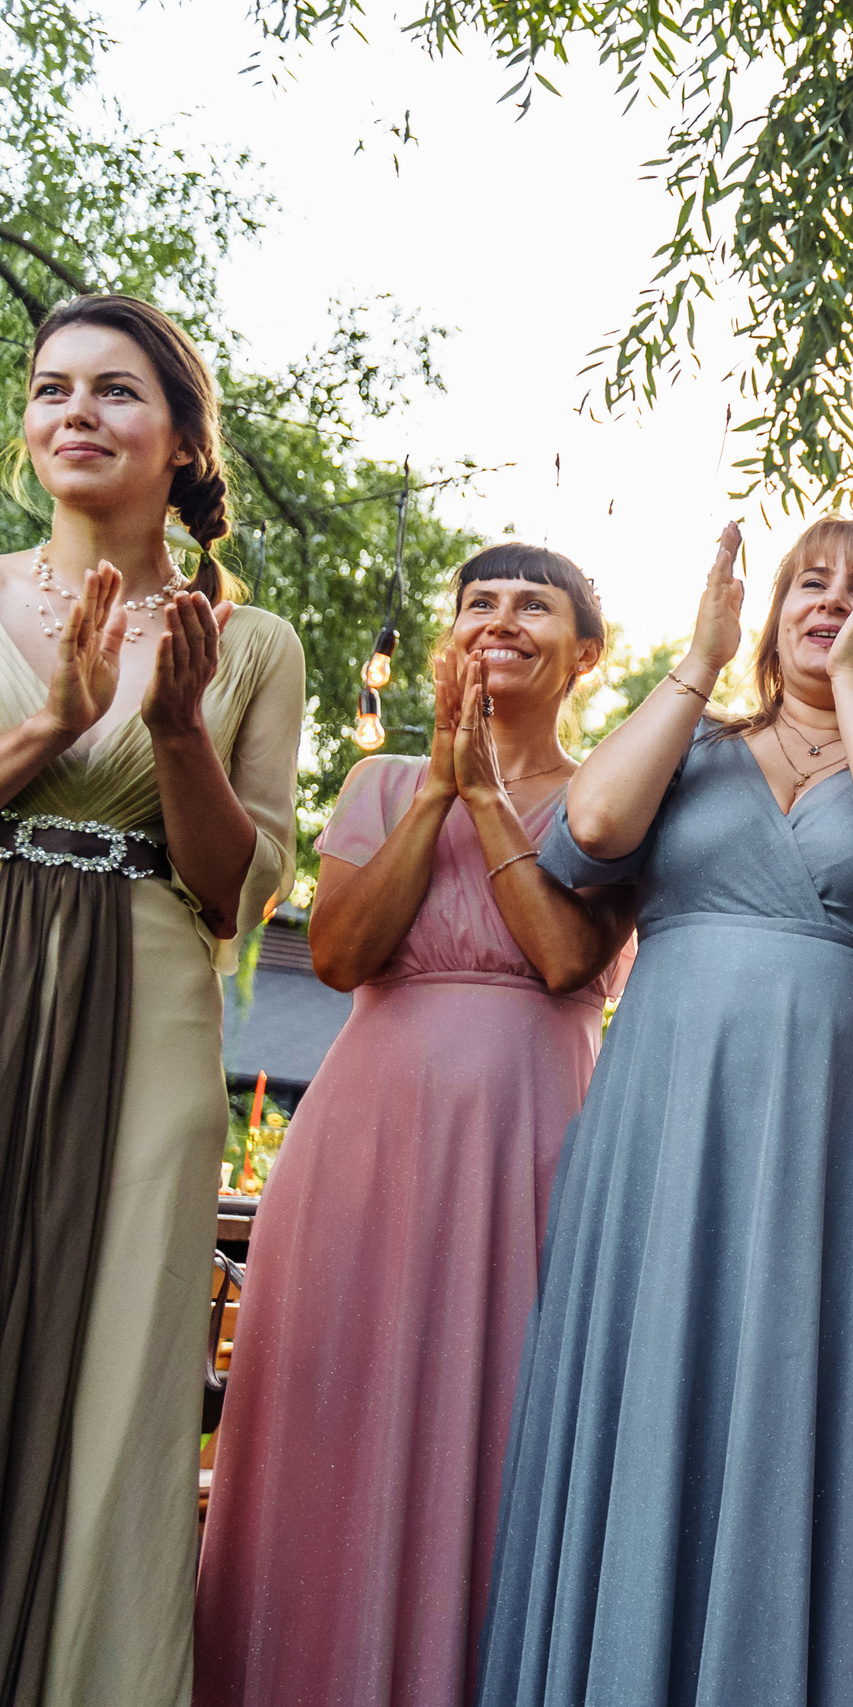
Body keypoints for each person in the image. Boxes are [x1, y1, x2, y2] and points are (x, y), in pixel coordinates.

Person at [473, 517, 853, 1707]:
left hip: (841, 1129)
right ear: (768, 607)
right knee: (654, 1375)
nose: (832, 601)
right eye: (811, 582)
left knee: (813, 1386)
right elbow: (587, 833)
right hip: (668, 1115)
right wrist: (694, 664)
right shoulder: (692, 746)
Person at [194, 546, 640, 1707]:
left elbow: (562, 960)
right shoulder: (381, 784)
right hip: (366, 1140)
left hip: (533, 1143)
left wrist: (490, 794)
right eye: (477, 604)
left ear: (586, 653)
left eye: (531, 605)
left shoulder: (613, 797)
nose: (498, 620)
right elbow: (339, 954)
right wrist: (441, 785)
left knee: (503, 1420)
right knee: (333, 1411)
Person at [0, 294, 303, 1707]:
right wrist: (54, 728)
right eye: (52, 388)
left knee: (125, 1362)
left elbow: (234, 887)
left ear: (182, 440)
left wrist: (174, 729)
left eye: (116, 392)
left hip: (151, 982)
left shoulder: (253, 643)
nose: (75, 413)